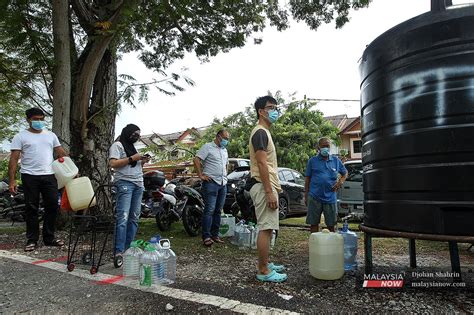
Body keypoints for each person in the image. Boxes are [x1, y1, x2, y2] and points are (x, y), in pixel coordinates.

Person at [8, 108, 67, 252]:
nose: (39, 122)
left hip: (49, 175)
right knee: (31, 208)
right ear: (28, 119)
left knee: (52, 205)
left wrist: (70, 167)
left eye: (41, 119)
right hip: (29, 176)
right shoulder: (20, 136)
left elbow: (61, 153)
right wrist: (12, 180)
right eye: (36, 119)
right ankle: (32, 239)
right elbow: (14, 159)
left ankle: (49, 237)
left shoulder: (50, 135)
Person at [248, 95, 287, 283]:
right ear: (261, 111)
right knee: (266, 228)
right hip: (264, 186)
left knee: (269, 228)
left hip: (266, 185)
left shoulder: (265, 132)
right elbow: (262, 164)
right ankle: (263, 270)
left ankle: (266, 263)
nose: (275, 111)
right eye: (271, 107)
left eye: (276, 107)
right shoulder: (260, 132)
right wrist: (269, 191)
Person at [109, 124, 150, 258]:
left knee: (134, 218)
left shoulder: (132, 148)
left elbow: (133, 166)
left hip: (138, 184)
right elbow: (113, 164)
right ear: (128, 133)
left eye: (138, 135)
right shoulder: (118, 146)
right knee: (123, 218)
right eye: (135, 134)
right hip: (125, 183)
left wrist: (142, 161)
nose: (136, 137)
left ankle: (128, 249)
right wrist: (132, 158)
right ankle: (118, 251)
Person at [193, 129, 230, 247]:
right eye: (225, 138)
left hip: (222, 183)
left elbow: (226, 164)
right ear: (218, 136)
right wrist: (200, 175)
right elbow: (196, 160)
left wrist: (225, 175)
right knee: (209, 210)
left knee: (218, 210)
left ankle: (215, 235)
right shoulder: (207, 147)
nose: (226, 141)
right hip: (211, 183)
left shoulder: (224, 150)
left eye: (228, 139)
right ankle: (206, 236)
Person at [305, 137, 347, 233]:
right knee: (314, 223)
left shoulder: (336, 161)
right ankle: (315, 245)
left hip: (330, 197)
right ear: (319, 147)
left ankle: (332, 245)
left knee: (331, 224)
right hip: (314, 196)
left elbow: (345, 173)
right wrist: (306, 194)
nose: (325, 148)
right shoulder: (312, 161)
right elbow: (307, 179)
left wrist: (340, 181)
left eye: (327, 146)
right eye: (323, 146)